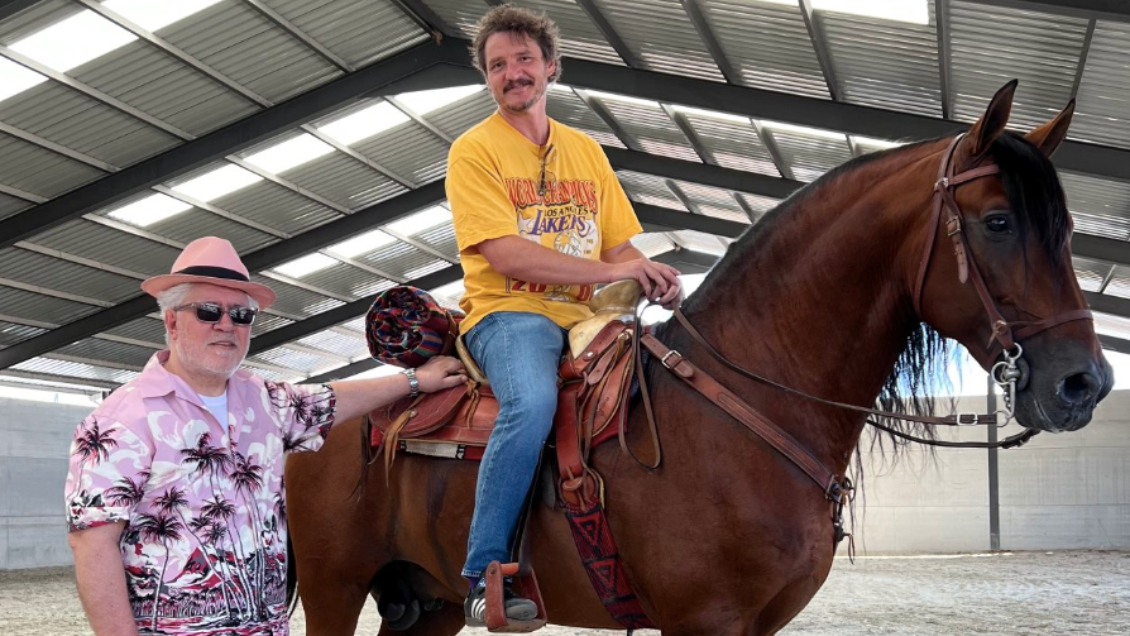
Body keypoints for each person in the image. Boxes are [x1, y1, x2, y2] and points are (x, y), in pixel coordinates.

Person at [64, 236, 466, 636]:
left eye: (242, 315)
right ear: (171, 321)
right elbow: (92, 545)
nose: (226, 325)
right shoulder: (119, 422)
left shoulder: (264, 400)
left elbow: (330, 400)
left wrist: (415, 381)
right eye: (208, 311)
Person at [447, 5, 683, 626]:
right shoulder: (474, 151)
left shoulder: (586, 152)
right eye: (498, 65)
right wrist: (610, 273)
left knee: (662, 383)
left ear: (551, 66)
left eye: (524, 59)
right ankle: (483, 574)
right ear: (488, 78)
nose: (512, 73)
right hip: (509, 312)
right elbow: (503, 253)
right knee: (531, 404)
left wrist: (649, 271)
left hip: (586, 316)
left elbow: (618, 248)